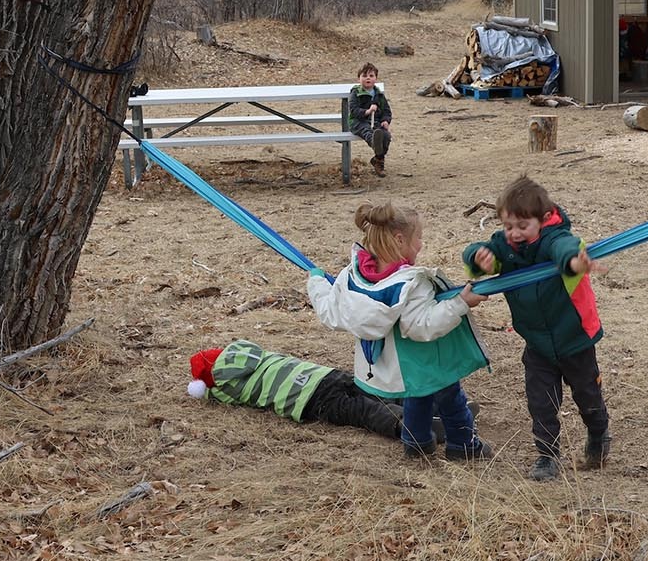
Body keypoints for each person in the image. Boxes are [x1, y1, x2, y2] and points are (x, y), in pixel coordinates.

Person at [307, 202, 492, 461]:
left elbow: (330, 311)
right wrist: (460, 303)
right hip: (427, 359)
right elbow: (421, 325)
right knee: (451, 397)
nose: (421, 245)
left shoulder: (352, 277)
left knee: (416, 395)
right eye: (418, 238)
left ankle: (416, 443)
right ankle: (464, 446)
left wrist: (316, 281)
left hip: (396, 370)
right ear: (399, 239)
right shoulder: (411, 284)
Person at [463, 175, 610, 480]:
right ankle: (547, 455)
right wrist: (478, 258)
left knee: (588, 397)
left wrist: (576, 262)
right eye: (508, 226)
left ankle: (598, 435)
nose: (514, 233)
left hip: (575, 338)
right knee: (540, 402)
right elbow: (481, 251)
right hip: (537, 342)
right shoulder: (505, 246)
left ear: (543, 220)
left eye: (522, 226)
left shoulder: (555, 238)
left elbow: (565, 249)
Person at [186, 340, 404, 440]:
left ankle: (407, 425)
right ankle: (415, 404)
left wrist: (204, 389)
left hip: (307, 398)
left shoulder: (226, 387)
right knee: (371, 390)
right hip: (322, 374)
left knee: (361, 411)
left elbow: (212, 394)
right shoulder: (253, 353)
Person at [346, 62, 392, 177]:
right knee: (367, 130)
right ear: (359, 79)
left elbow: (386, 111)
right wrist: (367, 111)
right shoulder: (356, 93)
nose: (368, 78)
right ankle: (374, 142)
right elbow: (354, 110)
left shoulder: (379, 95)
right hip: (358, 122)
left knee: (386, 135)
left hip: (376, 122)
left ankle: (378, 160)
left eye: (371, 76)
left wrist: (385, 120)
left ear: (375, 78)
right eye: (364, 76)